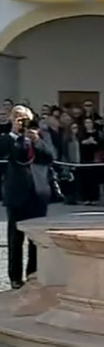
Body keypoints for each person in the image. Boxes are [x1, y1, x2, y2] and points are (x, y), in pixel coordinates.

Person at [0, 105, 55, 289]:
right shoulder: (6, 139)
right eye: (17, 117)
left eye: (24, 118)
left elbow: (50, 156)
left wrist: (36, 141)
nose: (21, 121)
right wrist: (15, 134)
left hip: (38, 192)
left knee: (36, 237)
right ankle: (15, 277)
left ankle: (33, 273)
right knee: (15, 237)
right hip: (16, 192)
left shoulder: (40, 136)